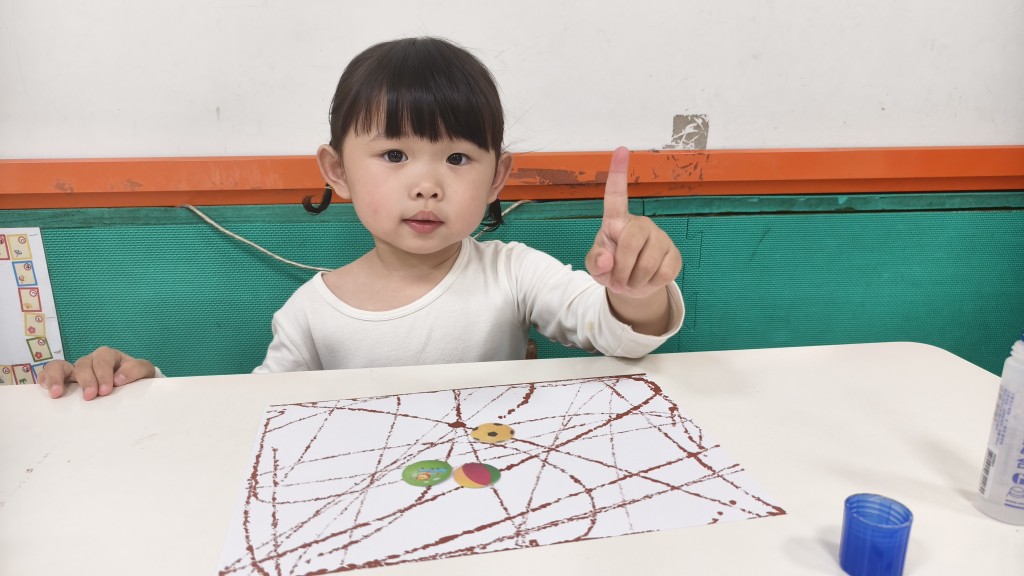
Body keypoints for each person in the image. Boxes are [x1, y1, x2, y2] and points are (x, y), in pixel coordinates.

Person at [38, 37, 684, 401]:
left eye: (458, 158)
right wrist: (144, 386)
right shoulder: (309, 314)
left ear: (497, 177)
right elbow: (251, 417)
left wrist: (637, 291)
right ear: (337, 171)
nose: (427, 184)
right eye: (394, 154)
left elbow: (618, 335)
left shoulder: (513, 274)